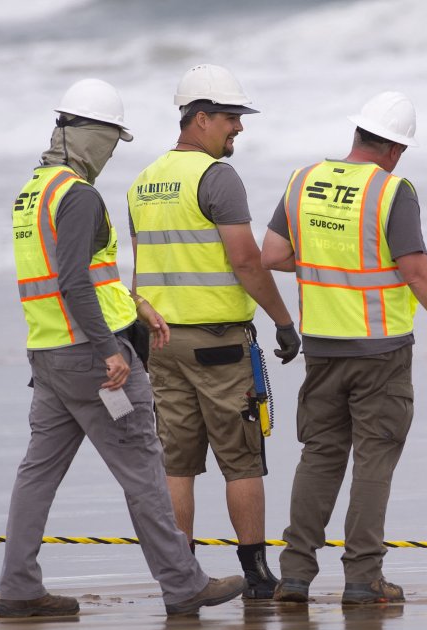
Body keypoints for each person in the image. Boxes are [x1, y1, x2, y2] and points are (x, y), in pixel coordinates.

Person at [1, 78, 246, 618]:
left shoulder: (31, 193)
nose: (111, 155)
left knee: (36, 474)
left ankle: (18, 588)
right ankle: (184, 585)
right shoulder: (79, 196)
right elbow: (73, 282)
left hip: (48, 356)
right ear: (87, 136)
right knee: (144, 471)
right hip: (96, 361)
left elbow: (80, 277)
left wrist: (136, 305)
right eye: (110, 142)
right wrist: (111, 348)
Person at [260, 91, 427, 605]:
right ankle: (362, 577)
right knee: (374, 458)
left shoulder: (303, 180)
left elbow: (273, 254)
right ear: (396, 148)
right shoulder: (392, 191)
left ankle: (293, 575)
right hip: (380, 351)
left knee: (320, 456)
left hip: (322, 347)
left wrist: (325, 263)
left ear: (357, 134)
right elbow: (416, 271)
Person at [127, 64, 301, 600]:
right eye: (230, 118)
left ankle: (181, 577)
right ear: (199, 119)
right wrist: (283, 321)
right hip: (219, 345)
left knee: (176, 461)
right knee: (241, 456)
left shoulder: (143, 181)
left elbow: (142, 271)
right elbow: (247, 261)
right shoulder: (215, 177)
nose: (238, 129)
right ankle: (255, 575)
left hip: (159, 343)